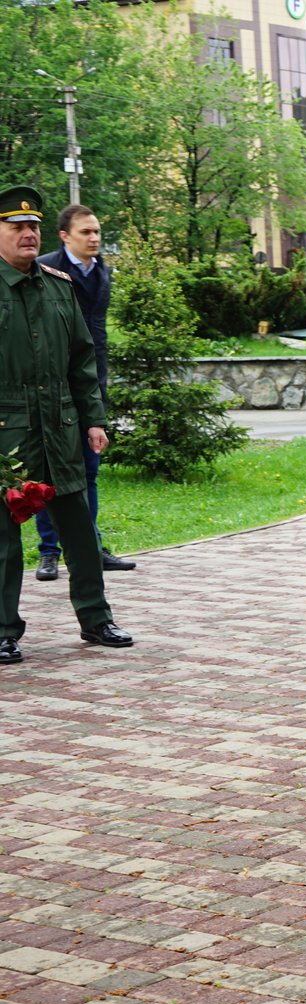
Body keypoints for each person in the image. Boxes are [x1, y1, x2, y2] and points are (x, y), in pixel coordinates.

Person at [0, 186, 133, 666]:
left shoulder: (59, 286)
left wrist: (94, 419)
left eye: (32, 226)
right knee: (3, 539)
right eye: (16, 226)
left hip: (60, 425)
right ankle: (3, 630)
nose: (27, 234)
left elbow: (82, 361)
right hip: (7, 432)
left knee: (79, 528)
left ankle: (97, 620)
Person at [33, 204, 134, 581]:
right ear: (65, 236)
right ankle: (48, 552)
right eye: (86, 232)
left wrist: (98, 391)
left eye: (96, 232)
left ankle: (91, 546)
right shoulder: (43, 269)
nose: (94, 238)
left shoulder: (101, 269)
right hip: (53, 385)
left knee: (89, 471)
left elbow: (97, 335)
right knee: (49, 473)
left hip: (92, 383)